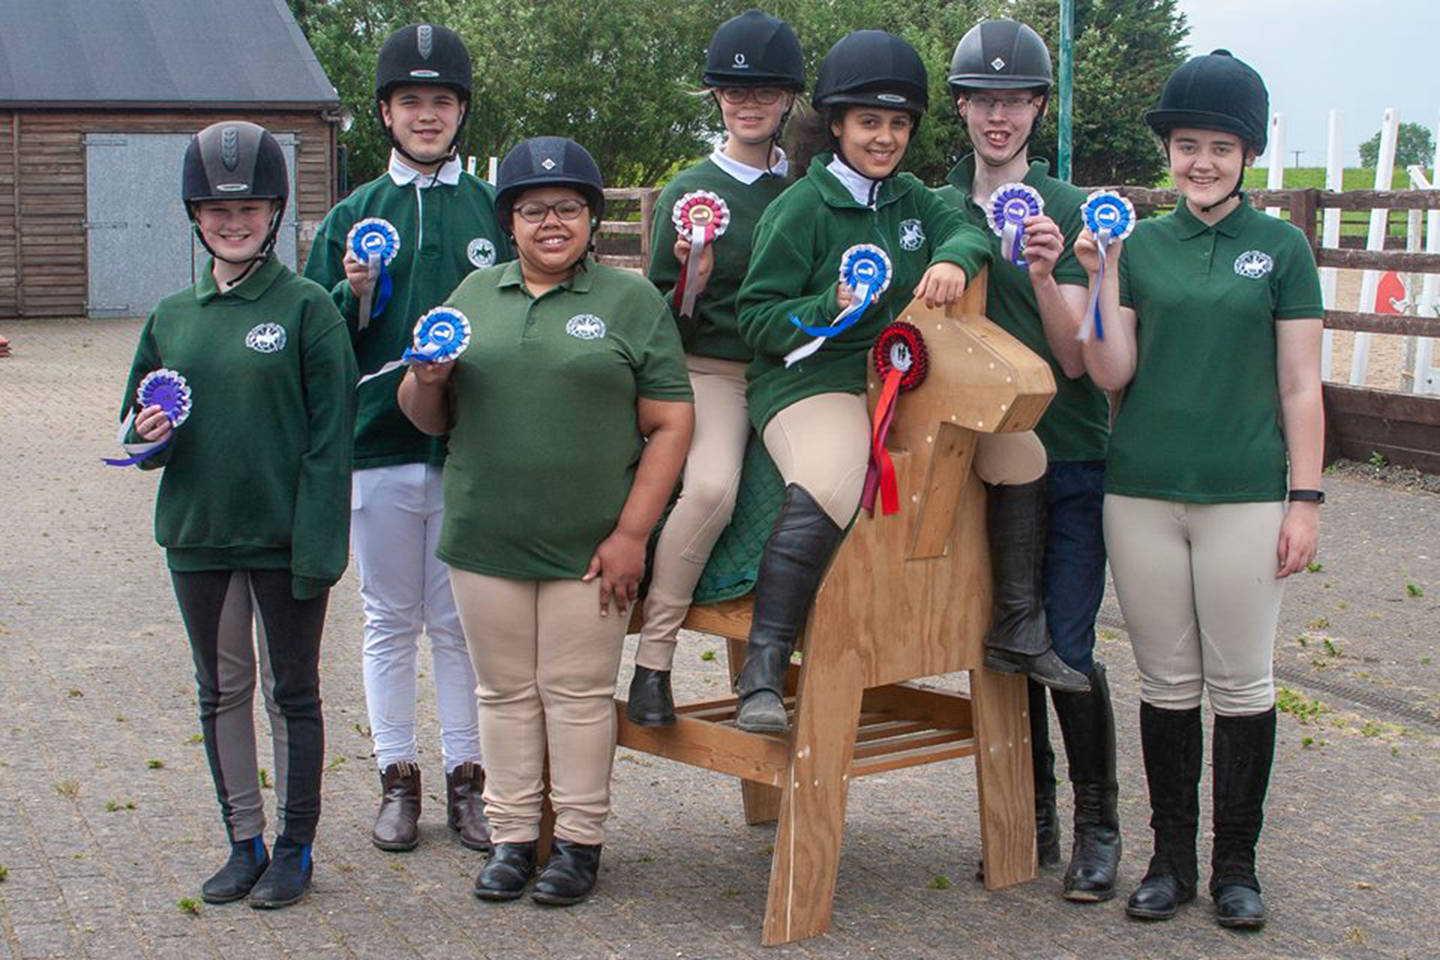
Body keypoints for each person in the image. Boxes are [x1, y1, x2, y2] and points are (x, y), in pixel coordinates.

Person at [732, 29, 1070, 735]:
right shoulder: (801, 208)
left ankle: (1016, 623)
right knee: (832, 474)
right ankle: (763, 671)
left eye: (897, 124)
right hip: (811, 379)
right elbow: (757, 321)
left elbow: (970, 232)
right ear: (836, 125)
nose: (884, 138)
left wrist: (951, 257)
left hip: (900, 376)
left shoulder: (913, 197)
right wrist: (829, 308)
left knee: (1021, 451)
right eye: (869, 122)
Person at [397, 137, 694, 906]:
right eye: (533, 210)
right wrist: (423, 380)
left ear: (594, 219)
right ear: (511, 222)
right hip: (483, 537)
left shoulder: (632, 302)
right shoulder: (472, 295)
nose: (551, 222)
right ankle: (511, 838)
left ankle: (580, 845)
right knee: (501, 693)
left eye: (568, 208)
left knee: (577, 693)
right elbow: (428, 419)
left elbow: (671, 424)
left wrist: (633, 533)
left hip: (590, 547)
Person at [1077, 50, 1323, 929]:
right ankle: (1170, 861)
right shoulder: (1139, 245)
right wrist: (1100, 276)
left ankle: (1236, 868)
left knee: (1244, 683)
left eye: (1221, 146)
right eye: (1188, 145)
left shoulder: (1282, 248)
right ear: (1169, 152)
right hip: (1142, 491)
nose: (1203, 162)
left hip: (1247, 496)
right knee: (1167, 681)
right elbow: (1109, 368)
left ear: (1246, 154)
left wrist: (1306, 498)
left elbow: (1301, 384)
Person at [118, 121, 357, 909]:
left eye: (250, 208)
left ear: (275, 213)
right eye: (217, 211)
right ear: (195, 215)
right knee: (219, 692)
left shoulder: (308, 308)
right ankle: (243, 841)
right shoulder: (170, 316)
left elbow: (331, 441)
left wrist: (319, 545)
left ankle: (295, 846)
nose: (233, 222)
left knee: (291, 694)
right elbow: (137, 426)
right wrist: (144, 438)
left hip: (282, 540)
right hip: (197, 536)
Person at [304, 23, 510, 854]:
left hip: (473, 449)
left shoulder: (491, 208)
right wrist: (351, 295)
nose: (428, 116)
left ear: (462, 111)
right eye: (411, 101)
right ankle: (398, 777)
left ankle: (469, 776)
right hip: (382, 446)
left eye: (443, 101)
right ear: (385, 112)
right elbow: (319, 343)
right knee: (390, 620)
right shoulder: (355, 215)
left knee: (459, 623)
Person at [935, 19, 1117, 901]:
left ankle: (1099, 826)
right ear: (962, 107)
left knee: (1067, 641)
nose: (997, 116)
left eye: (1014, 100)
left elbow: (1079, 361)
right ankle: (1027, 815)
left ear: (1038, 107)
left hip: (1070, 450)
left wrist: (1047, 276)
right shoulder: (937, 208)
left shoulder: (1070, 207)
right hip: (976, 459)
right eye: (982, 99)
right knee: (1004, 640)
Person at [625, 9, 805, 727]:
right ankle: (654, 664)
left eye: (764, 89)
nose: (750, 101)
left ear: (788, 97)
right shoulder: (688, 192)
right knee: (709, 491)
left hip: (796, 372)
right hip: (717, 368)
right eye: (735, 91)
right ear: (718, 99)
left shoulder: (810, 186)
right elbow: (666, 317)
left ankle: (789, 666)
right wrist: (692, 276)